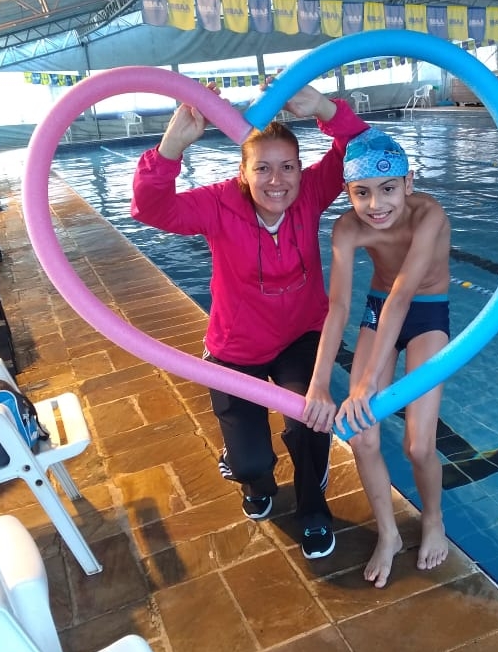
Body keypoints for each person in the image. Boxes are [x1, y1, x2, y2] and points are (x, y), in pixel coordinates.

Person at [130, 83, 368, 559]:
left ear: (300, 169)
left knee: (309, 423)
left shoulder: (310, 193)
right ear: (243, 172)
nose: (277, 180)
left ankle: (313, 509)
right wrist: (172, 146)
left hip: (300, 337)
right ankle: (252, 476)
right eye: (262, 168)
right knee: (250, 463)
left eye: (287, 167)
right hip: (235, 347)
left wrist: (324, 108)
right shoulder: (219, 204)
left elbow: (362, 151)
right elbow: (150, 209)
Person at [303, 127, 452, 587]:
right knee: (362, 436)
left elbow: (404, 294)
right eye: (361, 193)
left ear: (408, 183)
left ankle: (433, 519)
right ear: (348, 193)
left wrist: (366, 380)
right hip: (377, 307)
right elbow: (338, 307)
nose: (376, 205)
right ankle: (388, 534)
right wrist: (319, 382)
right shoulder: (347, 228)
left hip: (426, 312)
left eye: (388, 189)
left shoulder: (428, 214)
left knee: (418, 446)